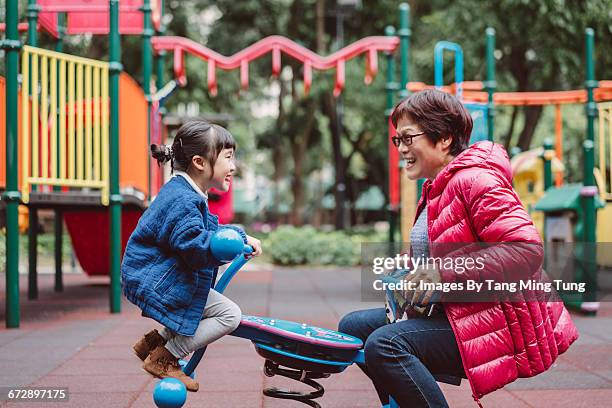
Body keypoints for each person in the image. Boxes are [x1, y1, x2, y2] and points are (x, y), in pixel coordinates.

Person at [339, 89, 578, 407]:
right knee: (352, 328)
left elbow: (525, 250)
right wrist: (409, 266)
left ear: (445, 139)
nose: (401, 149)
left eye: (408, 138)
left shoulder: (476, 180)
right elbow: (444, 249)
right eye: (398, 140)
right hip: (459, 310)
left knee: (386, 344)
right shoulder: (437, 186)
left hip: (498, 318)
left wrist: (442, 272)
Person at [121, 121, 262, 392]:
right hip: (158, 278)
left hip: (157, 272)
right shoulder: (184, 200)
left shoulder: (186, 192)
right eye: (228, 157)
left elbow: (205, 232)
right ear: (199, 162)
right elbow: (194, 248)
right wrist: (234, 242)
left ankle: (153, 343)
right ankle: (167, 356)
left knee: (202, 306)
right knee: (229, 315)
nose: (233, 166)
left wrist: (240, 239)